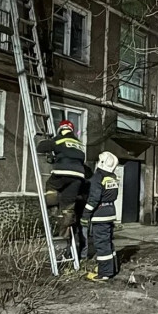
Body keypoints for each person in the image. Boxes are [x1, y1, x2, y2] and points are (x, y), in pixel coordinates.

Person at [37, 120, 86, 237]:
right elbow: (73, 155)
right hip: (78, 176)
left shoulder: (58, 139)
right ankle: (65, 232)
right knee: (68, 204)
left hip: (63, 171)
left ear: (61, 129)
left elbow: (41, 148)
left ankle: (53, 208)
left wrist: (45, 141)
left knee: (51, 185)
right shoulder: (79, 143)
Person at [81, 151, 120, 281]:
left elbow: (93, 199)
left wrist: (85, 215)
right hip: (110, 213)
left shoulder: (98, 177)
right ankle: (111, 268)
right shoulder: (112, 177)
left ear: (102, 163)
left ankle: (104, 274)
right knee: (108, 242)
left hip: (100, 214)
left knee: (101, 244)